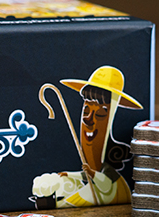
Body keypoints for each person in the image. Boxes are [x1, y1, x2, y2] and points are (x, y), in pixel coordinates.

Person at [32, 66, 142, 208]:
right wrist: (69, 175)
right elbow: (86, 174)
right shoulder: (96, 171)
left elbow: (103, 183)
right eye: (85, 111)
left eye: (100, 114)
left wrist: (90, 172)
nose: (88, 119)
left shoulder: (111, 178)